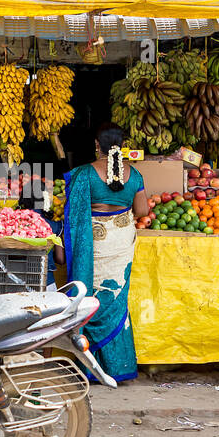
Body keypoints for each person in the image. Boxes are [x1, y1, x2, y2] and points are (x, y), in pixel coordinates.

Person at [62, 126, 149, 383]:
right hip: (121, 241)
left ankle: (89, 366)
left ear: (97, 145)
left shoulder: (84, 174)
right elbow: (142, 210)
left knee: (90, 295)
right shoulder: (135, 175)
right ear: (122, 146)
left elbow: (72, 214)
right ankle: (116, 366)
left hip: (95, 241)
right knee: (116, 297)